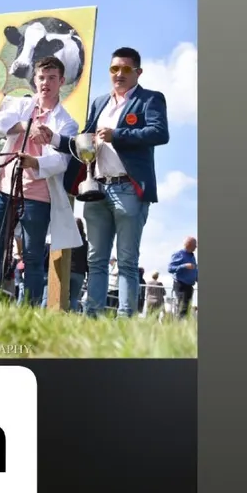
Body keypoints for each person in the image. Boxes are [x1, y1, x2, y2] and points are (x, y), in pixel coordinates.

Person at [39, 46, 169, 318]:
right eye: (114, 68)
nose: (119, 74)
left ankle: (124, 319)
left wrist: (117, 134)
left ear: (138, 72)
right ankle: (93, 316)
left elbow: (159, 133)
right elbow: (83, 141)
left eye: (125, 69)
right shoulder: (100, 103)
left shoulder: (150, 99)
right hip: (96, 189)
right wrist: (54, 138)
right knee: (95, 259)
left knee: (127, 261)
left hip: (129, 188)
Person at [0, 55, 82, 306]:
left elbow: (62, 161)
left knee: (33, 257)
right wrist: (24, 125)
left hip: (38, 197)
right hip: (4, 189)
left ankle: (30, 311)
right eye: (41, 78)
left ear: (61, 82)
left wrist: (35, 162)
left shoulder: (67, 122)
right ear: (34, 80)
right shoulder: (21, 105)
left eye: (52, 78)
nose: (46, 83)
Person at [168, 236, 197, 317]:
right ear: (189, 244)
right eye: (195, 244)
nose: (196, 246)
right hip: (181, 285)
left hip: (189, 286)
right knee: (182, 309)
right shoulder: (178, 254)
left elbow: (194, 270)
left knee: (187, 309)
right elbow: (170, 269)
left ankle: (183, 324)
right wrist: (184, 266)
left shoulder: (192, 256)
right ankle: (179, 324)